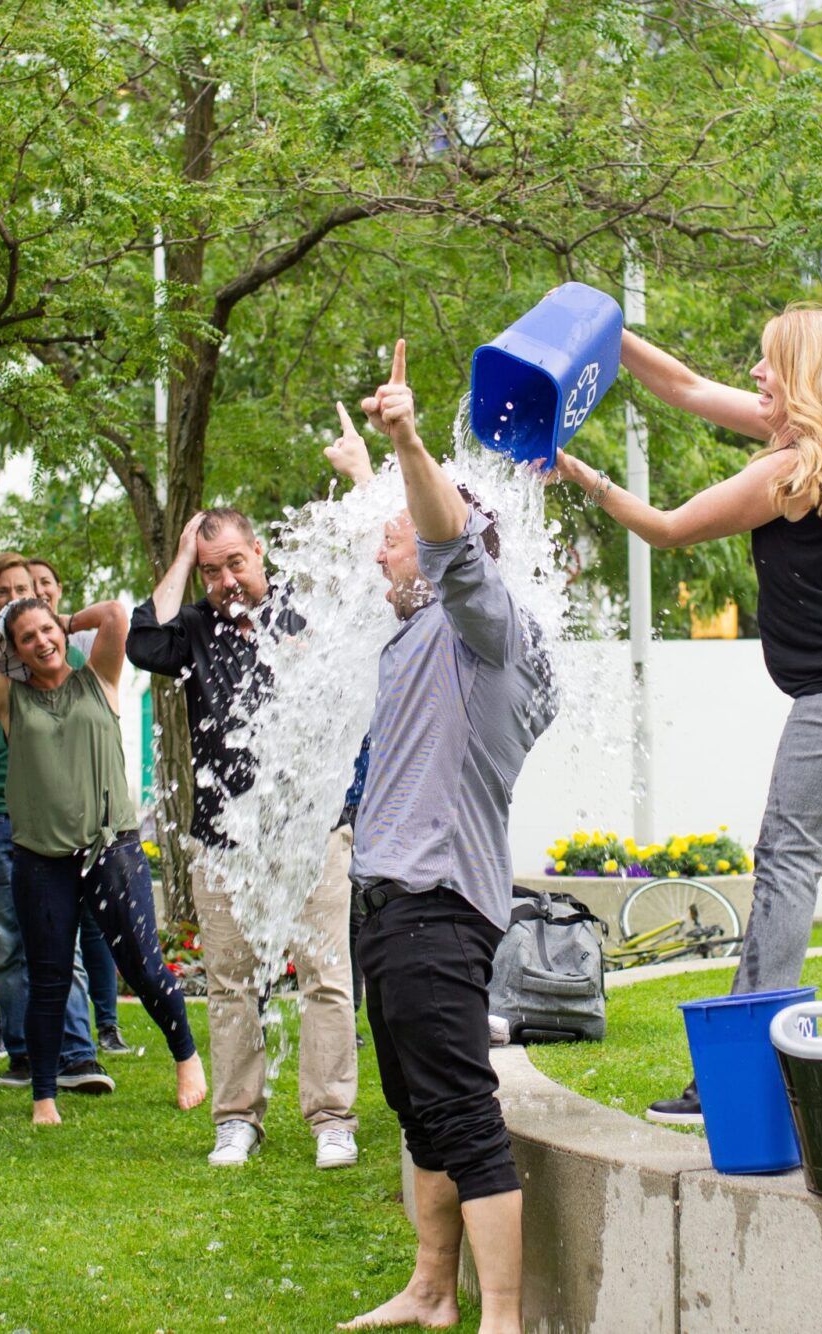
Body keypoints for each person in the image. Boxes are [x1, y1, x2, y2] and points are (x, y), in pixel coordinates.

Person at [549, 304, 822, 1130]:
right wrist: (606, 333)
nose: (756, 374)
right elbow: (688, 388)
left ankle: (744, 1069)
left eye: (769, 364)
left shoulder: (787, 474)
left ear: (803, 378)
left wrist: (582, 476)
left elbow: (665, 529)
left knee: (788, 860)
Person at [341, 341, 555, 1334]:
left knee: (461, 1114)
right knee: (420, 1109)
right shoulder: (427, 629)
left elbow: (445, 537)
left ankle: (500, 1315)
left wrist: (411, 440)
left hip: (435, 908)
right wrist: (370, 469)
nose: (380, 549)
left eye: (392, 534)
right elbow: (415, 528)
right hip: (390, 903)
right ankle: (432, 1287)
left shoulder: (483, 622)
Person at [126, 497, 362, 1171]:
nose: (227, 581)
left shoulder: (307, 609)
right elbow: (143, 643)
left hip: (310, 829)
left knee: (326, 976)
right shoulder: (195, 626)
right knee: (230, 983)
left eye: (235, 563)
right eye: (211, 571)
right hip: (226, 837)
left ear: (258, 552)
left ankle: (332, 1118)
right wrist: (180, 556)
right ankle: (236, 1119)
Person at [0, 596, 204, 1126]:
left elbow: (113, 614)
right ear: (14, 651)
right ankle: (44, 1098)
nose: (42, 642)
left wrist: (65, 621)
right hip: (43, 861)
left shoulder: (99, 678)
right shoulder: (8, 699)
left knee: (144, 966)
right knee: (49, 978)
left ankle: (188, 1059)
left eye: (47, 631)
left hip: (113, 849)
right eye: (27, 639)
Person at [0, 551, 108, 1093]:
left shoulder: (52, 663)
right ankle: (22, 1054)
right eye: (1, 592)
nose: (12, 597)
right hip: (0, 825)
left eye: (22, 589)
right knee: (10, 947)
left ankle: (79, 1055)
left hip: (56, 824)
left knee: (65, 942)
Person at [26, 557, 127, 1053]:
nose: (40, 592)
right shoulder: (16, 687)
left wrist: (61, 623)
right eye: (30, 588)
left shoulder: (89, 662)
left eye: (47, 585)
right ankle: (69, 1048)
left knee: (105, 940)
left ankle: (107, 1025)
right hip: (44, 838)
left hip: (102, 834)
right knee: (52, 955)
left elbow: (113, 612)